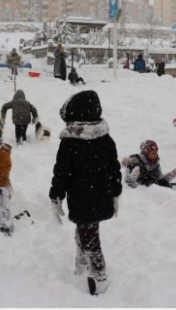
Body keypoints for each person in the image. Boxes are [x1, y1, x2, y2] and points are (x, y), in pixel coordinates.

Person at [49, 90, 122, 296]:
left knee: (89, 233)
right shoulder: (106, 139)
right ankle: (82, 261)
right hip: (101, 195)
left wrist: (56, 195)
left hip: (82, 197)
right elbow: (114, 169)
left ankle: (99, 275)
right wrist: (115, 192)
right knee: (87, 229)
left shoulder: (71, 142)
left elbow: (62, 172)